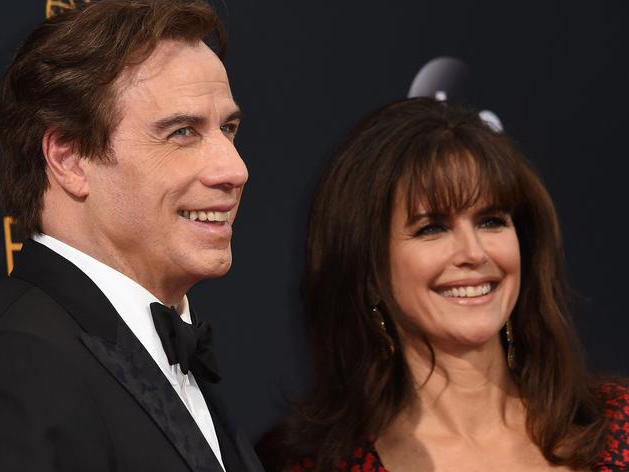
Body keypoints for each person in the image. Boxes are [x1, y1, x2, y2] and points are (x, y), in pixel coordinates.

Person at [257, 98, 628, 471]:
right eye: (432, 228)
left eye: (491, 221)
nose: (474, 252)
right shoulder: (312, 465)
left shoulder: (619, 424)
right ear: (369, 271)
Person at [0, 0, 263, 472]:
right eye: (182, 133)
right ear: (68, 158)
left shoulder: (167, 352)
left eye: (228, 129)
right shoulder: (12, 363)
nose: (235, 170)